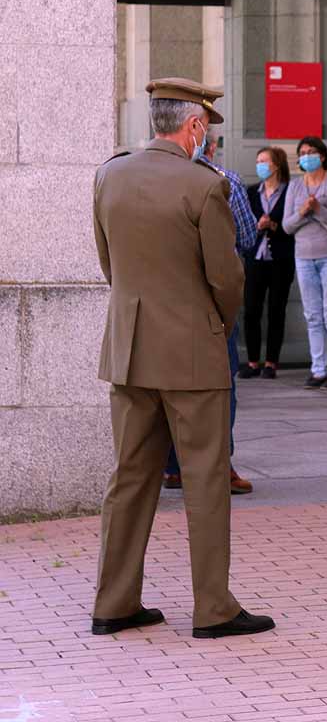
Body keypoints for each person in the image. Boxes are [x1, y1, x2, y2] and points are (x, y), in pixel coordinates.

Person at [91, 77, 273, 639]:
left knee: (129, 478)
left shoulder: (109, 174)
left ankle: (114, 602)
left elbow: (108, 264)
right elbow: (226, 277)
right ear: (193, 126)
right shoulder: (204, 185)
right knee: (205, 479)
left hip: (129, 348)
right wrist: (216, 323)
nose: (206, 138)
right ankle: (213, 608)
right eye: (206, 128)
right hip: (192, 352)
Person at [163, 125, 257, 496]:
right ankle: (219, 465)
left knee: (168, 384)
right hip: (213, 301)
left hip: (166, 299)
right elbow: (247, 239)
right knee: (222, 384)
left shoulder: (149, 177)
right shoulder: (226, 180)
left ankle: (173, 466)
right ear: (209, 145)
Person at [283, 135, 327, 389]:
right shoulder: (295, 187)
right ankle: (318, 368)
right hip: (304, 256)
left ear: (322, 156)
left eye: (311, 152)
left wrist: (319, 209)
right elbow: (288, 226)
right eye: (302, 153)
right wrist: (303, 211)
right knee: (312, 315)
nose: (306, 156)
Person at [240, 146, 295, 381]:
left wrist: (274, 226)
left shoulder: (290, 191)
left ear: (276, 165)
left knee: (276, 310)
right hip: (255, 258)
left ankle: (271, 362)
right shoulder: (251, 192)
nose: (260, 165)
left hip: (281, 259)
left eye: (264, 161)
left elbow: (294, 224)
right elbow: (242, 223)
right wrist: (257, 225)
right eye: (258, 161)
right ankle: (252, 362)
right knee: (251, 310)